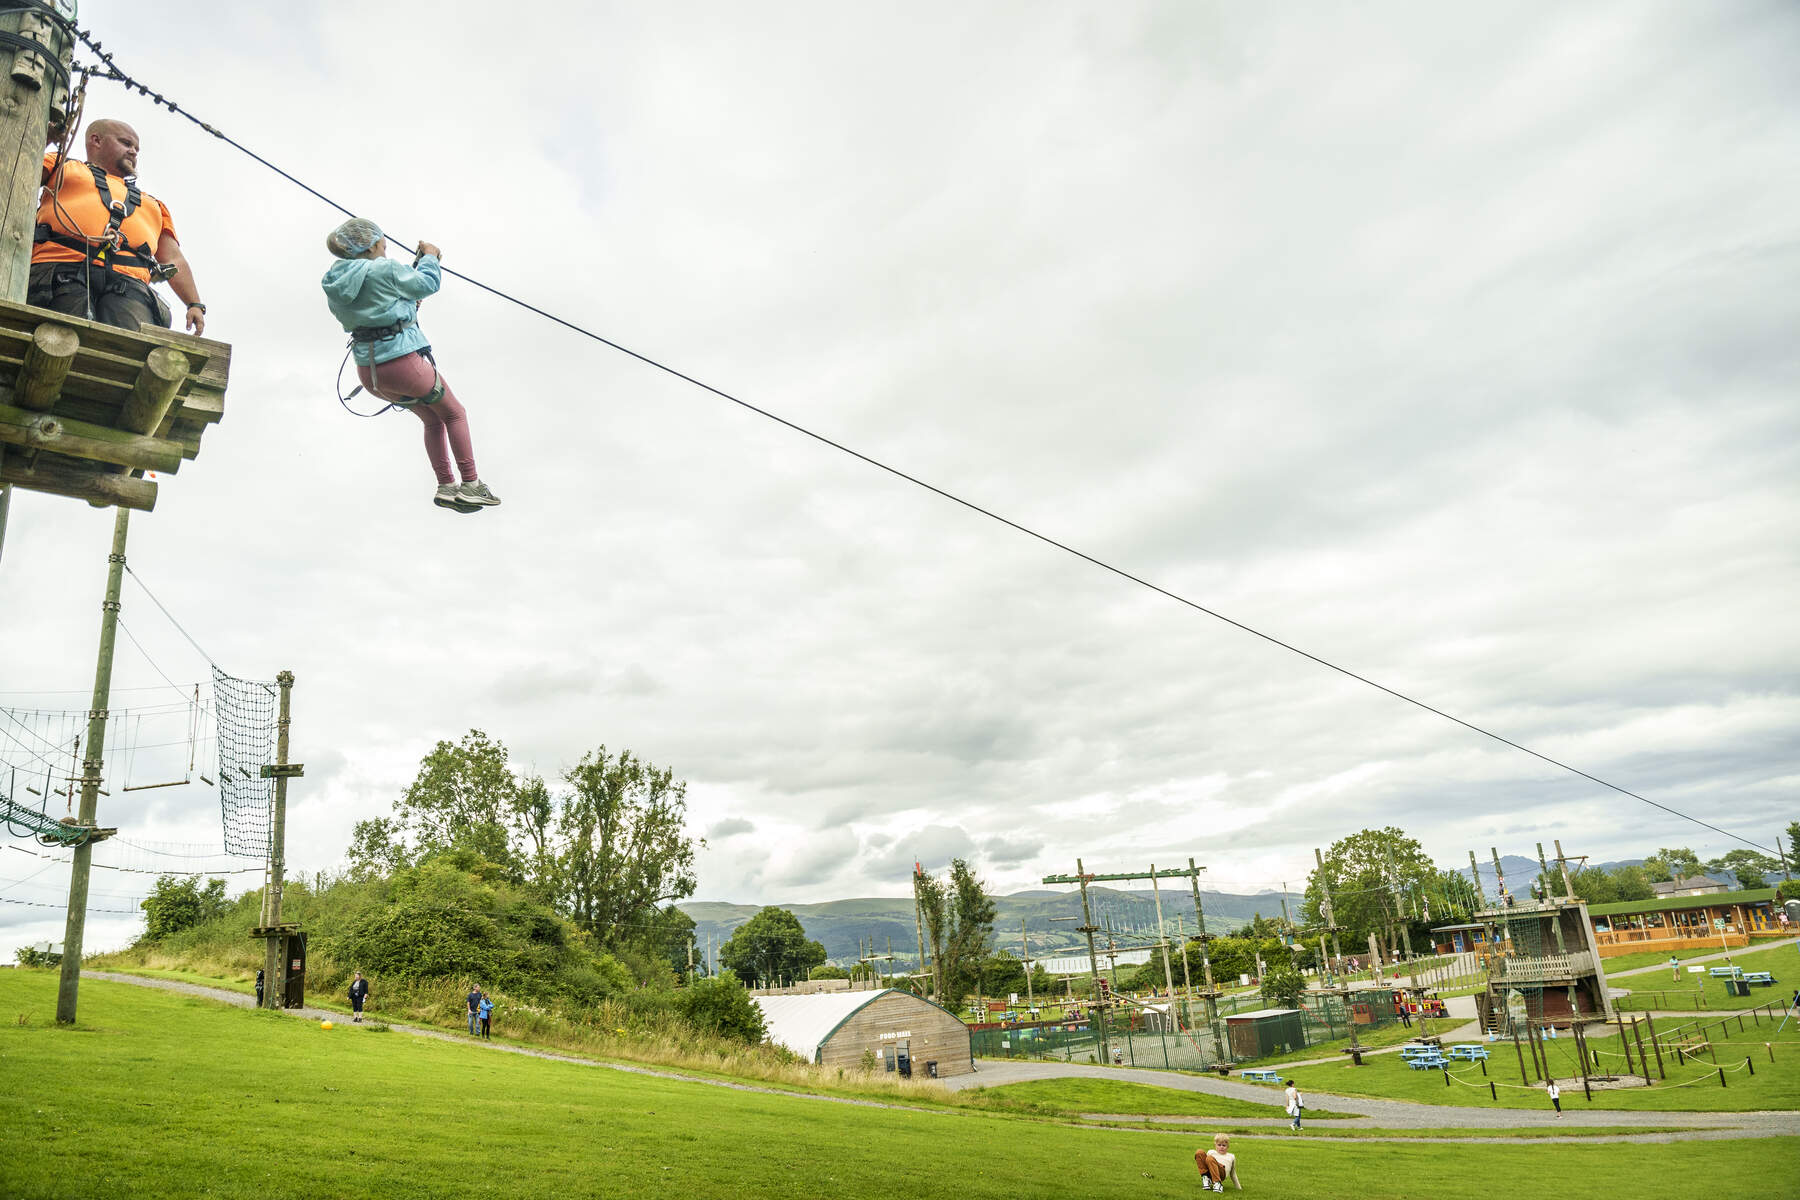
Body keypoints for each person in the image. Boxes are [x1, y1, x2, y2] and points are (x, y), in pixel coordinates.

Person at [321, 218, 500, 513]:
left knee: (432, 420)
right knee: (454, 413)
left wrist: (408, 289)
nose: (386, 249)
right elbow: (428, 284)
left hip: (370, 373)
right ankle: (471, 484)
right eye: (383, 245)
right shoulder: (385, 269)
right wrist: (429, 256)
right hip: (402, 364)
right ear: (373, 245)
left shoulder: (334, 281)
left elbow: (382, 303)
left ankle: (446, 486)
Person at [30, 119, 206, 334]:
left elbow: (173, 258)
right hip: (62, 272)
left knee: (125, 346)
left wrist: (194, 304)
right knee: (63, 335)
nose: (133, 152)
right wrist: (48, 138)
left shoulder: (154, 205)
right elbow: (18, 172)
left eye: (136, 148)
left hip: (128, 287)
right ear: (96, 140)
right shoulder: (62, 166)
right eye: (126, 143)